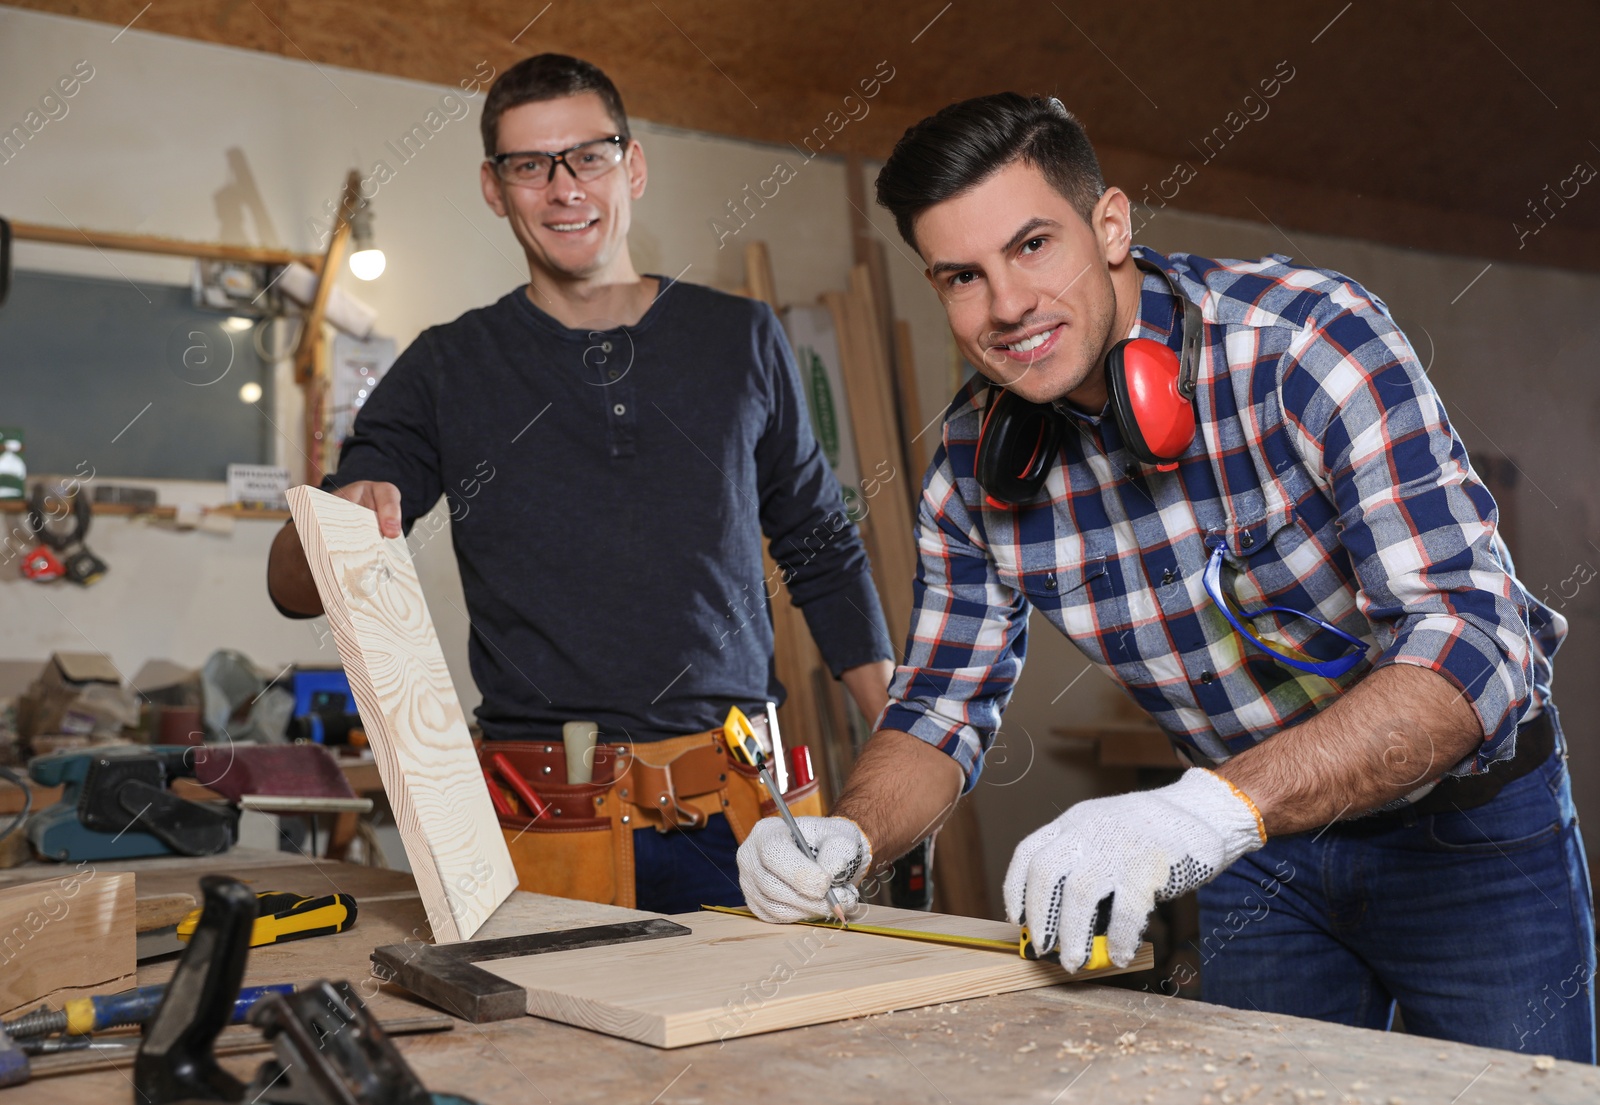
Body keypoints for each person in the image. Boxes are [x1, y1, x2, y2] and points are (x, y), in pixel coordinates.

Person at [735, 92, 1594, 1060]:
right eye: (961, 276)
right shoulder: (970, 472)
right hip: (1253, 852)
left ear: (1110, 223)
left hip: (1466, 832)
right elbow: (936, 705)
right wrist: (847, 838)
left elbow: (1473, 642)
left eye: (1031, 247)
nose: (1006, 306)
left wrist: (1198, 810)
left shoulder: (1306, 342)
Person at [268, 54, 893, 914]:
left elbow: (820, 545)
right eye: (530, 165)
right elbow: (297, 588)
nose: (564, 188)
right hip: (544, 826)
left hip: (753, 813)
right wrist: (335, 521)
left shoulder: (738, 337)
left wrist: (900, 750)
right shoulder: (448, 366)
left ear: (631, 165)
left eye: (588, 156)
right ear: (495, 188)